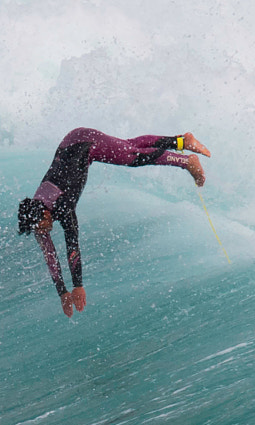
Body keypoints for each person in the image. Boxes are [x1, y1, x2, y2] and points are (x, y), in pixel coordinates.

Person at [16, 127, 210, 317]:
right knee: (129, 146)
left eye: (42, 226)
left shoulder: (62, 203)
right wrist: (62, 292)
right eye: (39, 229)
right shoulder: (36, 214)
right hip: (73, 144)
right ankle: (183, 141)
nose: (44, 230)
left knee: (132, 156)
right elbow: (50, 255)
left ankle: (186, 161)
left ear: (45, 213)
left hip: (86, 142)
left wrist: (77, 286)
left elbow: (72, 246)